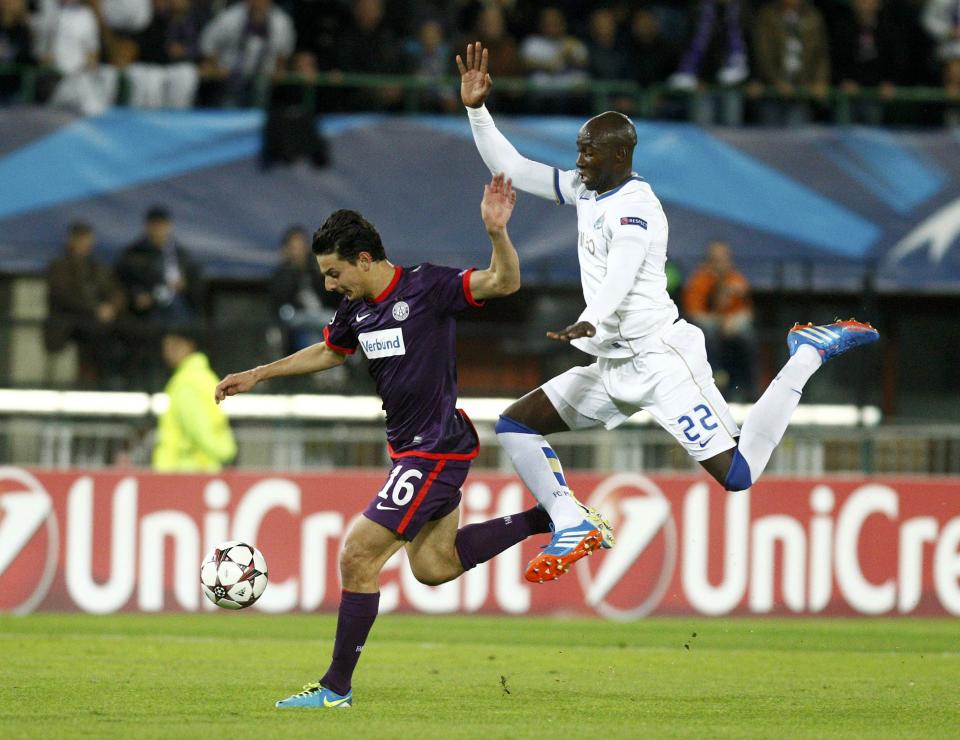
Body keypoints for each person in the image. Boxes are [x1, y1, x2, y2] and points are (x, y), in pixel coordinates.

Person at [457, 41, 879, 584]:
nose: (579, 160)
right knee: (516, 424)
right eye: (579, 150)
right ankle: (570, 521)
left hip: (660, 362)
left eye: (587, 152)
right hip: (611, 367)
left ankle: (807, 355)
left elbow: (624, 274)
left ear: (618, 157)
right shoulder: (588, 188)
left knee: (738, 475)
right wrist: (476, 109)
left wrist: (593, 318)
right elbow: (511, 166)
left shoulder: (638, 207)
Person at [214, 174, 586, 709]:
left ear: (364, 260)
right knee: (433, 567)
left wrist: (497, 233)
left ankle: (334, 689)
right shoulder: (355, 310)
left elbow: (503, 283)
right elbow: (330, 352)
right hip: (412, 449)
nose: (328, 285)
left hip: (435, 446)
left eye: (333, 272)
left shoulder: (427, 288)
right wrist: (257, 374)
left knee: (357, 555)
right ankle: (548, 517)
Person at [44, 222, 126, 388]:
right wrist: (95, 309)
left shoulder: (98, 267)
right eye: (80, 239)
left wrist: (111, 307)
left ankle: (107, 385)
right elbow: (64, 296)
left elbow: (116, 292)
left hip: (96, 328)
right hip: (67, 328)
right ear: (71, 240)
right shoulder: (59, 266)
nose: (84, 243)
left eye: (87, 239)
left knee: (118, 336)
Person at [153, 325, 236, 472]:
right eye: (166, 346)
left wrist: (223, 455)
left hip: (185, 471)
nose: (169, 351)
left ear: (190, 346)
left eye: (175, 345)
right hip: (202, 468)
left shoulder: (186, 382)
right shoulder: (206, 377)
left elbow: (199, 428)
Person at [682, 240, 756, 401]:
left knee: (746, 336)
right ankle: (713, 382)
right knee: (706, 335)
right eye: (716, 260)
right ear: (708, 261)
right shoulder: (700, 280)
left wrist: (732, 321)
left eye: (724, 259)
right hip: (709, 329)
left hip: (731, 328)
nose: (721, 264)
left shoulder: (735, 279)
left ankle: (748, 390)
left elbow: (747, 313)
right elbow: (694, 314)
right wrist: (718, 321)